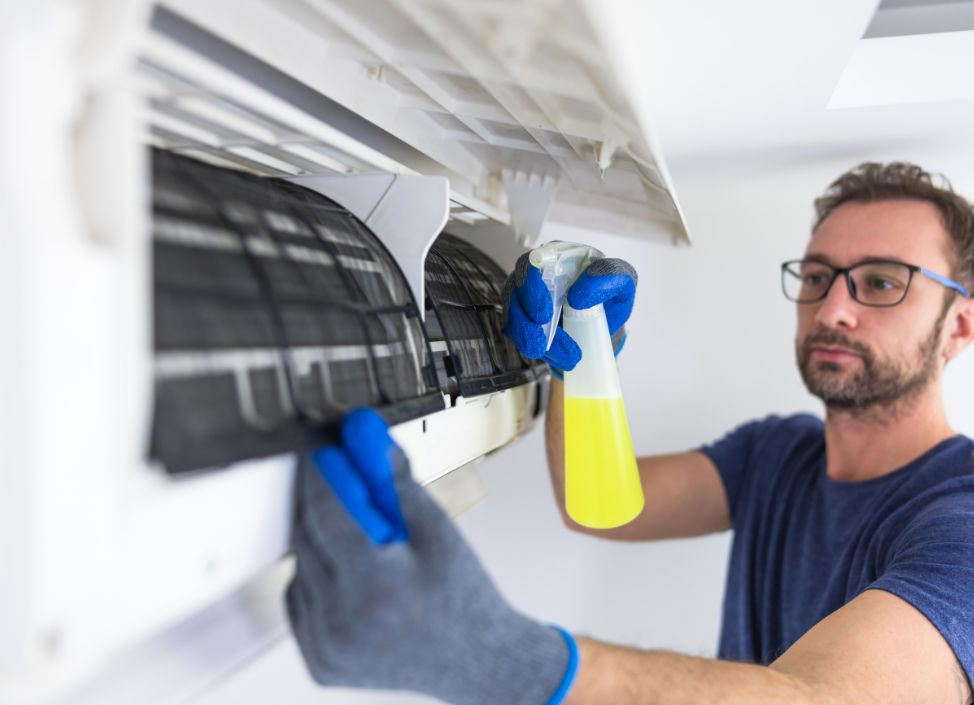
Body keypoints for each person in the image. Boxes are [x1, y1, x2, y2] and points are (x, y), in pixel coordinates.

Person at [286, 162, 974, 705]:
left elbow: (827, 698)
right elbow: (602, 506)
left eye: (881, 282)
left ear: (960, 327)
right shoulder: (779, 455)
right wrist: (582, 355)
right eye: (818, 277)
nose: (833, 309)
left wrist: (507, 660)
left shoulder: (960, 520)